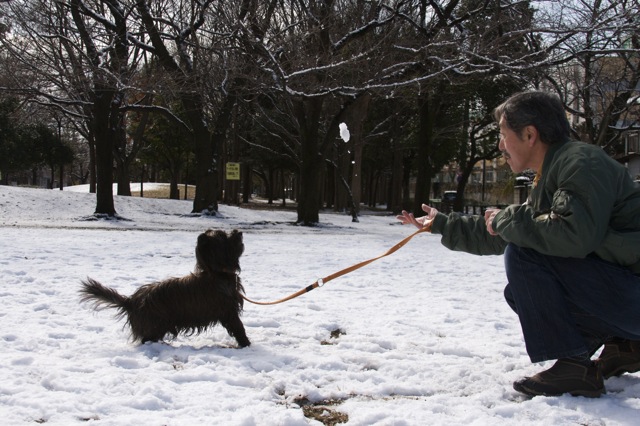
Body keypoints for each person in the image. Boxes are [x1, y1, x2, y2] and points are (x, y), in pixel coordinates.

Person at [397, 90, 640, 398]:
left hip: (633, 296)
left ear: (529, 134)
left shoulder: (580, 163)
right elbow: (512, 229)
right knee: (521, 292)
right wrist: (444, 224)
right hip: (626, 296)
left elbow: (572, 236)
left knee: (524, 256)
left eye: (503, 134)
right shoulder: (555, 170)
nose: (500, 145)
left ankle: (575, 367)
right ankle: (626, 345)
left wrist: (507, 221)